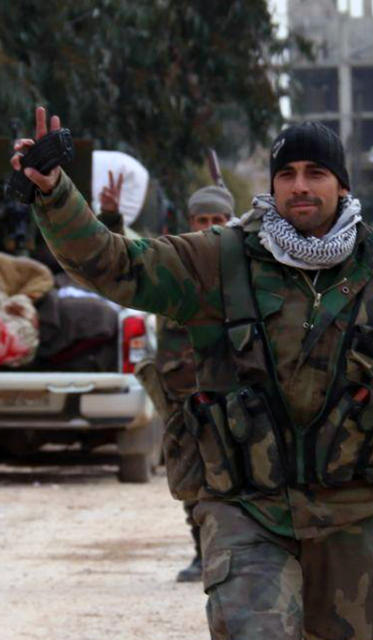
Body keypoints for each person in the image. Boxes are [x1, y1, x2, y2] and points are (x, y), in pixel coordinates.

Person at [12, 107, 373, 639]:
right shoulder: (217, 261)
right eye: (286, 174)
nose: (300, 186)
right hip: (244, 506)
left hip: (349, 515)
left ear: (341, 185)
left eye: (315, 173)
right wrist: (54, 192)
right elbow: (115, 264)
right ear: (272, 185)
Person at [120, 181, 237, 583]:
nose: (208, 227)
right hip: (183, 395)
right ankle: (201, 551)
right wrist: (110, 220)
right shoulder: (167, 266)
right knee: (191, 477)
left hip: (235, 397)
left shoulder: (245, 268)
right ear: (188, 223)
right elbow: (122, 264)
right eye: (201, 220)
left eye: (218, 220)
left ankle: (237, 554)